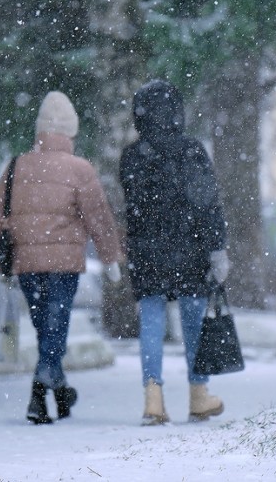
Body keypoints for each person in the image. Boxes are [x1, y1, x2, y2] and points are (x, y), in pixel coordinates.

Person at [0, 90, 124, 425]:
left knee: (47, 330)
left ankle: (61, 390)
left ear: (40, 131)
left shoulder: (16, 165)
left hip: (27, 266)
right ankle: (39, 393)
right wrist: (110, 259)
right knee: (55, 329)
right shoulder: (79, 169)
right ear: (71, 132)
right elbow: (99, 218)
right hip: (63, 266)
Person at [119, 79, 231, 426]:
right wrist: (217, 248)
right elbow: (208, 204)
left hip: (147, 251)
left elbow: (132, 207)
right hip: (190, 249)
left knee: (151, 321)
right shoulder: (192, 150)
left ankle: (153, 397)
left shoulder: (132, 157)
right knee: (193, 321)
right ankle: (199, 395)